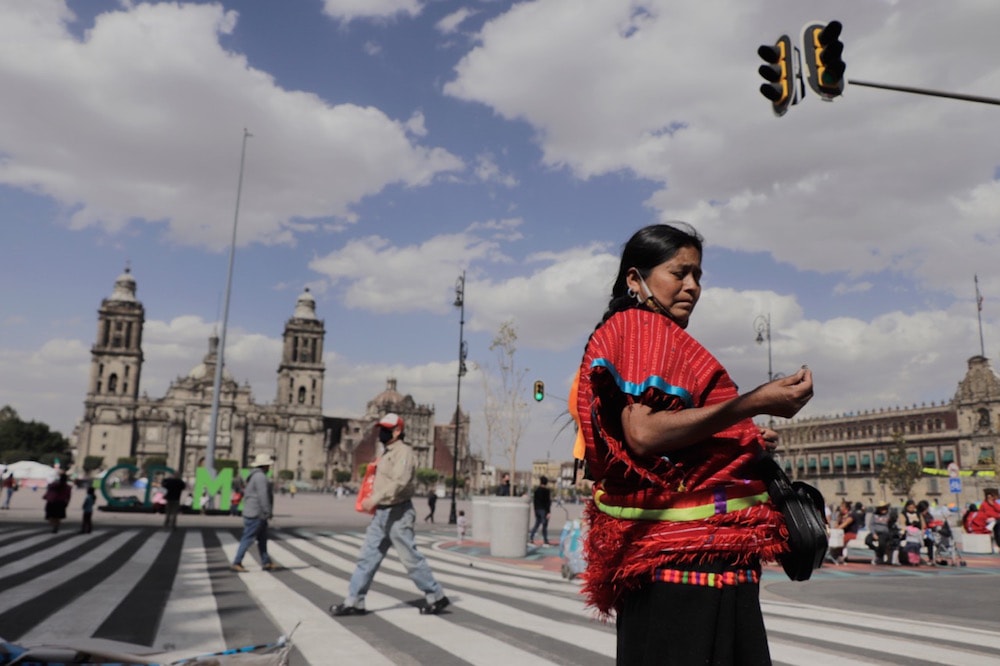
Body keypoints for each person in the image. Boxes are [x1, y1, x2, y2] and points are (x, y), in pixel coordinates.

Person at [573, 223, 814, 665]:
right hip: (685, 563)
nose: (692, 287)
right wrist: (753, 402)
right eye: (679, 273)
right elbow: (643, 434)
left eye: (698, 275)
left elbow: (673, 435)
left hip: (705, 558)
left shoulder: (654, 333)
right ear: (634, 280)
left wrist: (737, 439)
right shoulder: (643, 327)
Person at [330, 414, 450, 616]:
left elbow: (400, 482)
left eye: (386, 429)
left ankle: (436, 596)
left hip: (398, 513)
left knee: (410, 559)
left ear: (397, 431)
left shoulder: (404, 452)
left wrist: (375, 498)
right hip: (382, 514)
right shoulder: (387, 452)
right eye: (381, 428)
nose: (381, 432)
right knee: (367, 558)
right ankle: (355, 601)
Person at [231, 453, 277, 572]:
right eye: (268, 465)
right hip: (257, 513)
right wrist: (267, 511)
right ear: (264, 466)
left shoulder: (253, 476)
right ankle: (237, 562)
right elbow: (263, 496)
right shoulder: (260, 477)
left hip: (254, 512)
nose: (269, 468)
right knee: (248, 538)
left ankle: (266, 561)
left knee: (262, 539)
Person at [529, 476, 552, 545]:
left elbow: (534, 502)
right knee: (544, 525)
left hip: (537, 510)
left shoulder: (536, 491)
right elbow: (547, 502)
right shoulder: (547, 491)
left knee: (537, 524)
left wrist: (535, 510)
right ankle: (545, 540)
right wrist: (548, 512)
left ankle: (531, 538)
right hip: (544, 510)